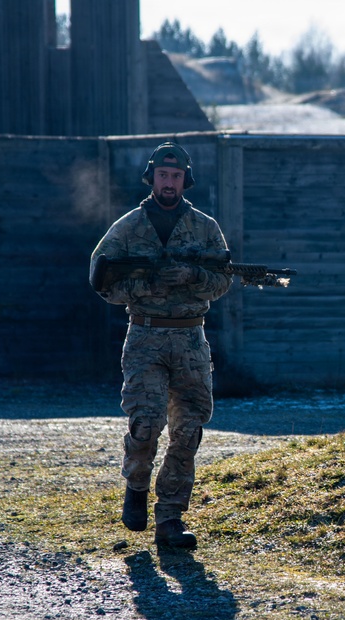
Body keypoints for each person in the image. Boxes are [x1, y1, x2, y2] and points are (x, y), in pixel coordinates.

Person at [90, 141, 233, 549]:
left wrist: (192, 277)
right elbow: (101, 281)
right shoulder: (129, 227)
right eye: (162, 175)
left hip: (191, 338)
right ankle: (136, 485)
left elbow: (222, 280)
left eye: (175, 177)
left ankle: (170, 517)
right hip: (146, 337)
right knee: (146, 423)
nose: (168, 183)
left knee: (188, 430)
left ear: (185, 181)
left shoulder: (205, 227)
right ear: (152, 177)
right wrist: (145, 285)